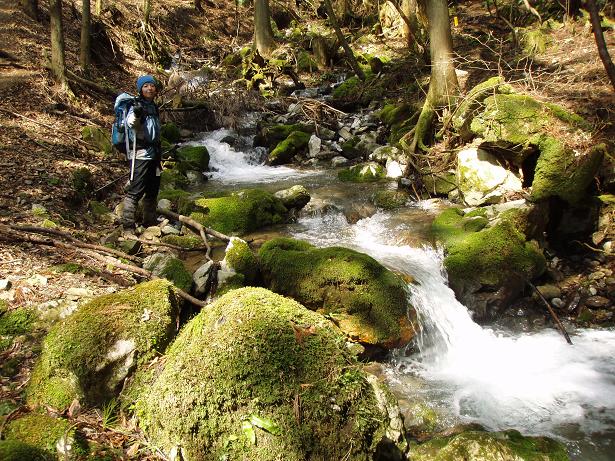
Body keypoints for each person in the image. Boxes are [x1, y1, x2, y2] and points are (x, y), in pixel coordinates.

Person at [121, 75, 162, 234]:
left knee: (153, 189)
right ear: (140, 89)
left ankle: (149, 221)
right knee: (136, 190)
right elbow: (130, 123)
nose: (149, 88)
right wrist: (137, 114)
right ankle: (128, 227)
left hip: (154, 154)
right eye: (145, 86)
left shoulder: (154, 106)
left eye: (152, 86)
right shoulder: (135, 105)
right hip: (140, 153)